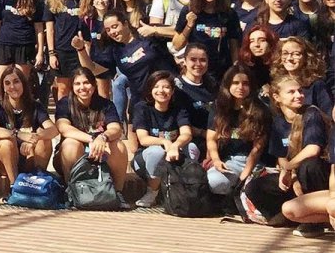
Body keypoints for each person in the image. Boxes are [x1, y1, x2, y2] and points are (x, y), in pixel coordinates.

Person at [243, 72, 330, 235]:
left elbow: (313, 150)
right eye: (291, 92)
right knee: (254, 187)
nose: (299, 95)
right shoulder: (278, 121)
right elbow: (281, 156)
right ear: (276, 97)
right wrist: (291, 176)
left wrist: (290, 169)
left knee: (309, 166)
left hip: (317, 175)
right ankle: (292, 217)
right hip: (295, 175)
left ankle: (316, 221)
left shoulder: (311, 114)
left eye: (300, 91)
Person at [54, 67, 129, 197]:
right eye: (77, 84)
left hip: (100, 154)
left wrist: (103, 137)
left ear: (94, 86)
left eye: (86, 83)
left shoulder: (106, 104)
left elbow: (116, 128)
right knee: (71, 143)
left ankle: (118, 193)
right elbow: (64, 128)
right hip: (71, 156)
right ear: (72, 86)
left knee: (119, 145)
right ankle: (71, 192)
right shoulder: (65, 103)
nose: (82, 87)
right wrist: (92, 139)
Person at [131, 69, 198, 208]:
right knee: (157, 151)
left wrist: (175, 146)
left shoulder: (178, 109)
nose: (161, 91)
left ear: (173, 91)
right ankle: (152, 192)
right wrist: (165, 142)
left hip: (172, 154)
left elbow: (186, 134)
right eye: (156, 87)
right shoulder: (142, 108)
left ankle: (185, 190)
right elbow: (143, 139)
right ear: (150, 90)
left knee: (192, 148)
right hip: (145, 159)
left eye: (166, 87)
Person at [0, 65, 55, 197]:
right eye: (7, 83)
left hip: (28, 157)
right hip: (4, 161)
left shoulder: (35, 106)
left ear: (23, 83)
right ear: (4, 88)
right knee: (6, 142)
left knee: (45, 140)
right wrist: (17, 134)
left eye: (16, 81)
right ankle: (14, 187)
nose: (12, 86)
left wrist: (34, 139)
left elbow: (53, 130)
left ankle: (36, 184)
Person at [206, 65, 269, 196]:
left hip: (254, 163)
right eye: (235, 83)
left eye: (245, 83)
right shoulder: (219, 107)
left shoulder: (261, 110)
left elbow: (257, 149)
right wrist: (216, 160)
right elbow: (211, 139)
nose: (240, 87)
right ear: (228, 84)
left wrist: (244, 175)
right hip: (228, 161)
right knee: (214, 181)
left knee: (253, 189)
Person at [0, 0, 45, 86]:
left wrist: (40, 52)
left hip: (24, 45)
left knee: (21, 84)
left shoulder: (35, 2)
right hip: (4, 44)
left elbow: (39, 29)